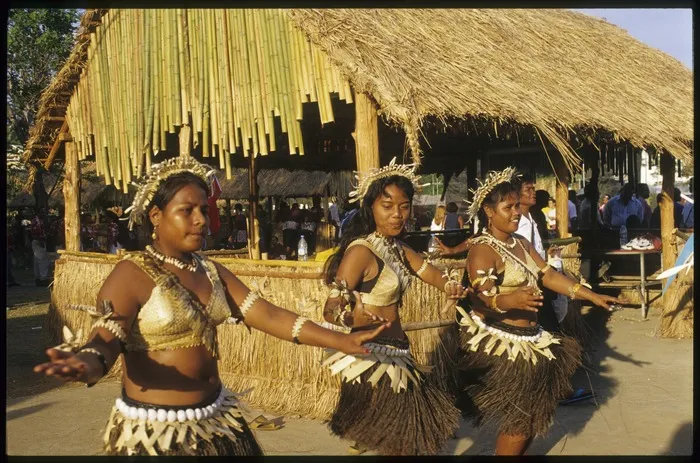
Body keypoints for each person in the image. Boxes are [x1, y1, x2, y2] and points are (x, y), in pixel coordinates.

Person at [34, 156, 390, 456]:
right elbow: (106, 338)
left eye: (203, 210)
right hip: (157, 433)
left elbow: (268, 314)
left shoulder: (210, 270)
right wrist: (86, 363)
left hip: (217, 421)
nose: (201, 220)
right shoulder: (131, 274)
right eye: (186, 211)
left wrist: (339, 340)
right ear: (156, 216)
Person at [453, 167, 622, 456]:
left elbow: (547, 275)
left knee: (533, 417)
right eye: (508, 207)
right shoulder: (483, 250)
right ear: (489, 211)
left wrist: (589, 295)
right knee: (519, 421)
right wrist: (510, 301)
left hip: (534, 338)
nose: (516, 212)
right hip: (507, 345)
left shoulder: (520, 243)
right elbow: (482, 300)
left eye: (517, 205)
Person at [321, 158, 466, 455]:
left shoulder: (398, 249)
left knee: (406, 446)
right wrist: (352, 314)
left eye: (403, 206)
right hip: (375, 360)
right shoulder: (362, 251)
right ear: (371, 207)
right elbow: (330, 307)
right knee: (401, 447)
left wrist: (451, 285)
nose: (397, 215)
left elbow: (429, 272)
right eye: (387, 206)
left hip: (400, 353)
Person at [31, 207, 50, 286]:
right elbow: (37, 233)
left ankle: (38, 279)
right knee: (42, 261)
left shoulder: (37, 220)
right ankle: (43, 279)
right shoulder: (37, 221)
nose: (44, 214)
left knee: (37, 261)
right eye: (42, 212)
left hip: (37, 242)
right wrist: (41, 241)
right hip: (39, 242)